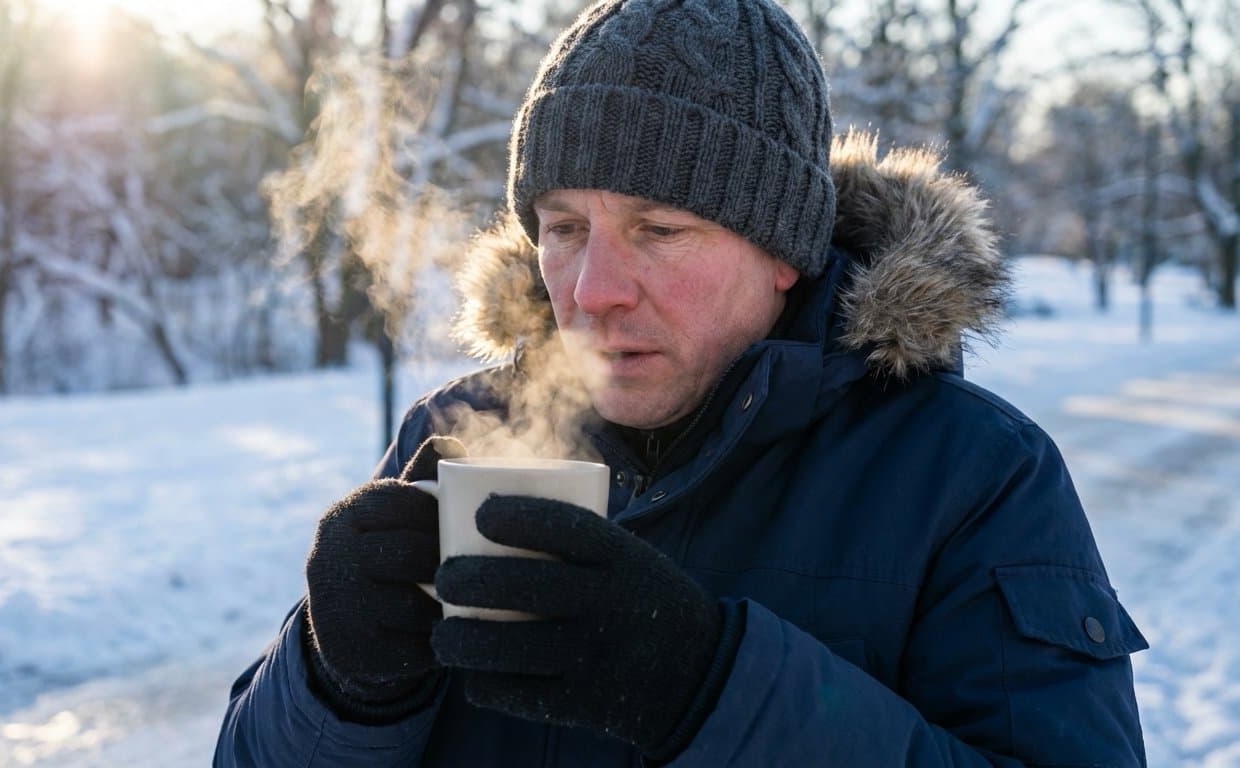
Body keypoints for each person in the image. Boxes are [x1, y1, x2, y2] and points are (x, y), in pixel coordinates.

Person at [215, 0, 1149, 764]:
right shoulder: (459, 432)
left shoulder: (970, 474)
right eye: (564, 228)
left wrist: (707, 689)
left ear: (783, 253)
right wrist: (337, 687)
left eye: (659, 230)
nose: (593, 291)